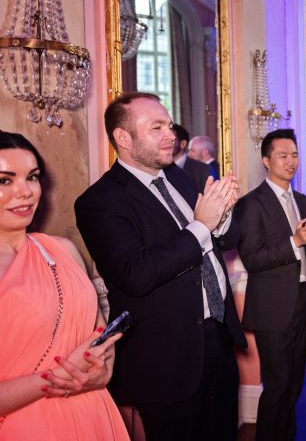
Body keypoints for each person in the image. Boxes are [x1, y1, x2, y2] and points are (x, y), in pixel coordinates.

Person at [75, 92, 246, 440]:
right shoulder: (100, 201)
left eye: (169, 124)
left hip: (217, 336)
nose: (171, 134)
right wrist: (201, 225)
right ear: (123, 138)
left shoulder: (180, 178)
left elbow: (222, 239)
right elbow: (137, 274)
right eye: (157, 127)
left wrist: (222, 217)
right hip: (166, 357)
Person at [0, 132, 129, 440]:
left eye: (32, 177)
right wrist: (58, 378)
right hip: (28, 426)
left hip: (95, 413)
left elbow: (99, 333)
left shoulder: (62, 249)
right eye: (4, 180)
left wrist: (104, 370)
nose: (26, 191)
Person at [234, 129, 306, 440]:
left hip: (302, 302)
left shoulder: (303, 200)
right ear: (266, 160)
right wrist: (294, 241)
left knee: (294, 384)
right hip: (272, 308)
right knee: (276, 386)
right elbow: (253, 258)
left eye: (295, 155)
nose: (291, 162)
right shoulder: (251, 204)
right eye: (283, 156)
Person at [171, 123, 216, 191]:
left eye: (172, 139)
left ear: (183, 144)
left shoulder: (203, 170)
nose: (166, 142)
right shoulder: (161, 169)